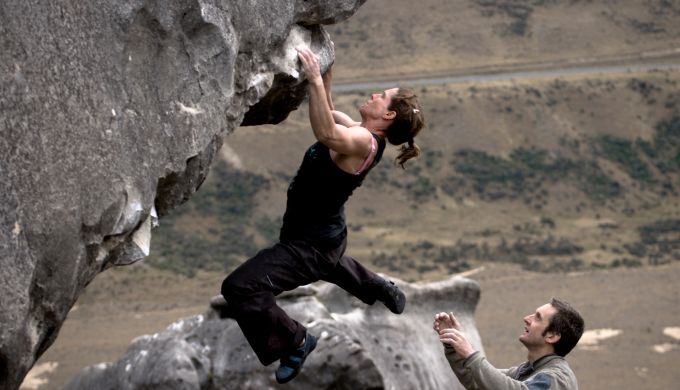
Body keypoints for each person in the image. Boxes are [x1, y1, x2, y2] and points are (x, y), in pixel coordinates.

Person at [220, 46, 425, 384]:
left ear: (388, 116)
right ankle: (375, 285)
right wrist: (326, 68)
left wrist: (315, 78)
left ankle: (296, 341)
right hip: (322, 234)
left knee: (240, 287)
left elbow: (326, 133)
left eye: (382, 96)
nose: (374, 95)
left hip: (309, 244)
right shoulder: (362, 132)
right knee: (327, 261)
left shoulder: (363, 141)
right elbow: (327, 111)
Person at [433, 298, 585, 390]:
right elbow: (477, 381)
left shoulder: (558, 378)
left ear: (552, 336)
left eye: (537, 318)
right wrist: (453, 342)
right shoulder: (524, 372)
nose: (527, 318)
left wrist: (470, 354)